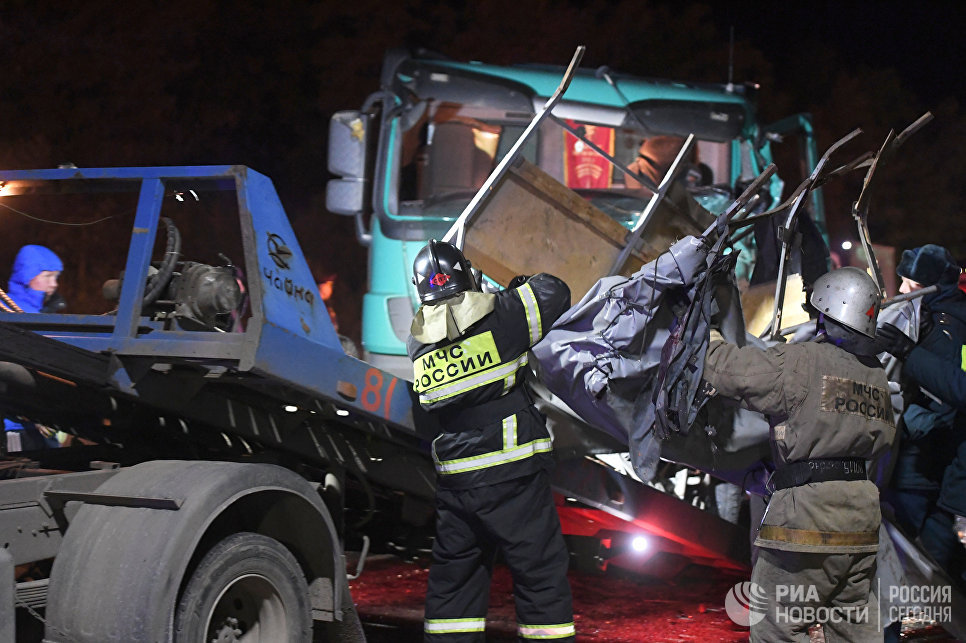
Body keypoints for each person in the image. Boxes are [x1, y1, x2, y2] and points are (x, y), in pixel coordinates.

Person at [702, 267, 896, 642]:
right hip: (861, 521)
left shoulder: (801, 361)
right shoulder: (875, 378)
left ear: (824, 312)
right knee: (853, 629)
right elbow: (884, 440)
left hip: (806, 519)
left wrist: (705, 330)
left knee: (777, 626)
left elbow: (727, 371)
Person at [406, 240, 575, 642]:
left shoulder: (417, 342)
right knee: (540, 577)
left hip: (456, 486)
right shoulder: (502, 317)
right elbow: (556, 291)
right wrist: (514, 288)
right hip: (512, 476)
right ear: (466, 276)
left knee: (455, 586)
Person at [877, 244, 966, 572]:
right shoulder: (932, 318)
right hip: (935, 456)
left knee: (911, 545)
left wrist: (910, 352)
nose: (901, 291)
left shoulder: (949, 326)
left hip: (926, 455)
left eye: (910, 284)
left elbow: (957, 386)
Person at [3, 244, 65, 453]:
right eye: (47, 276)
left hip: (43, 428)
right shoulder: (8, 314)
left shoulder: (45, 318)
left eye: (56, 277)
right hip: (15, 430)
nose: (53, 284)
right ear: (27, 275)